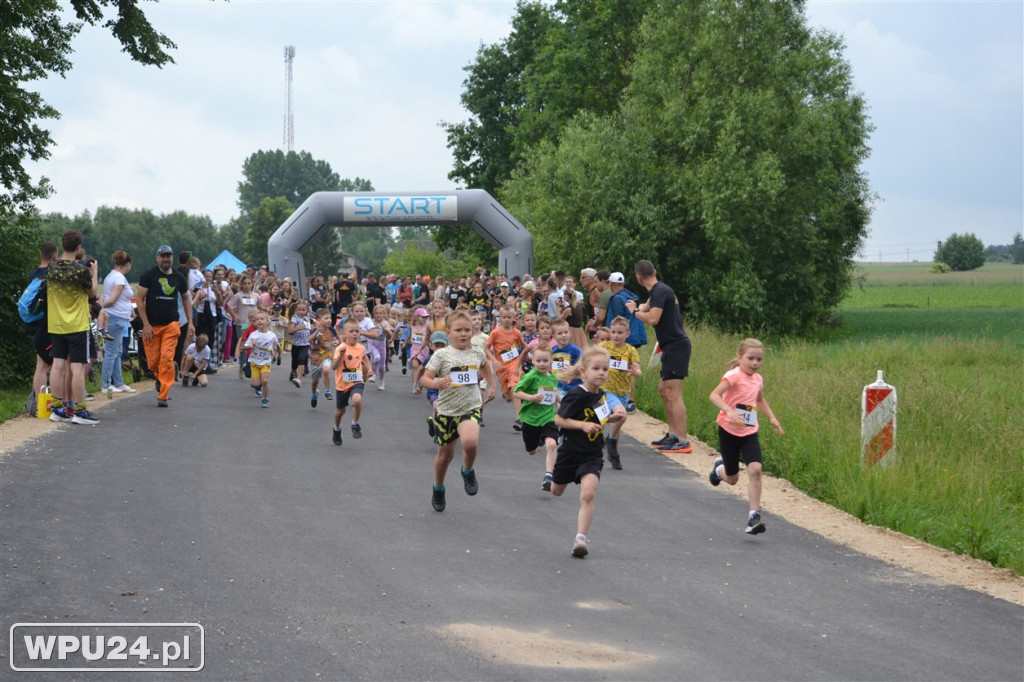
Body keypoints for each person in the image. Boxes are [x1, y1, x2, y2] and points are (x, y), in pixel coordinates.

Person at [551, 345, 626, 558]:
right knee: (556, 490)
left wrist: (610, 419)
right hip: (570, 452)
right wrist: (582, 426)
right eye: (596, 368)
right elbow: (558, 419)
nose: (601, 373)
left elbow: (597, 418)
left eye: (605, 369)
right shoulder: (576, 394)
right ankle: (555, 477)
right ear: (584, 372)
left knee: (588, 493)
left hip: (592, 453)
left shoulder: (601, 395)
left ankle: (580, 539)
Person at [421, 308, 497, 512]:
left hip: (470, 407)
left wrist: (492, 385)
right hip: (446, 411)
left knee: (470, 442)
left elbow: (486, 366)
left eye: (467, 330)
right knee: (444, 457)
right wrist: (436, 384)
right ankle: (438, 488)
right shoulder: (441, 355)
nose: (463, 334)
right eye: (458, 330)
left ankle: (468, 470)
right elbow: (425, 379)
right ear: (449, 333)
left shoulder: (477, 352)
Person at [708, 338, 784, 535]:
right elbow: (714, 395)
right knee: (732, 479)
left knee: (756, 469)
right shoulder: (733, 376)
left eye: (759, 359)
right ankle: (718, 470)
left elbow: (759, 399)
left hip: (749, 432)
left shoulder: (758, 379)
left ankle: (753, 516)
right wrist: (728, 410)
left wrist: (772, 417)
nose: (755, 363)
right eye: (751, 358)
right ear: (740, 357)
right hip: (728, 430)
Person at [627, 260, 693, 453]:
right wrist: (638, 306)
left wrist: (634, 311)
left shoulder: (660, 291)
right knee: (663, 391)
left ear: (638, 279)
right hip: (668, 346)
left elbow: (652, 318)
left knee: (673, 393)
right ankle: (672, 435)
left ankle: (682, 439)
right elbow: (647, 307)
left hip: (676, 345)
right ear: (654, 271)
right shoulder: (658, 291)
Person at [46, 230, 100, 425]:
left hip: (56, 323)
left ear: (62, 245)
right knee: (77, 368)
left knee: (58, 365)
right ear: (78, 248)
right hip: (77, 325)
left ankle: (57, 409)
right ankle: (80, 411)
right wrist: (94, 274)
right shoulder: (81, 271)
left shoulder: (51, 268)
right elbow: (92, 294)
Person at [137, 244, 193, 408]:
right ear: (157, 258)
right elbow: (140, 300)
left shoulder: (178, 278)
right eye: (162, 256)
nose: (165, 259)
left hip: (171, 325)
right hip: (152, 326)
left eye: (168, 256)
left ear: (172, 258)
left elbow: (186, 299)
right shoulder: (149, 276)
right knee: (153, 362)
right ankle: (159, 376)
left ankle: (163, 394)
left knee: (167, 358)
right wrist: (145, 324)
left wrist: (190, 323)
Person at [512, 344, 560, 491]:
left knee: (552, 444)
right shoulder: (530, 376)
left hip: (548, 417)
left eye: (545, 361)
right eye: (538, 360)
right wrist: (532, 398)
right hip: (531, 419)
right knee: (531, 451)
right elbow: (516, 392)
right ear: (533, 361)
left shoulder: (552, 377)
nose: (542, 364)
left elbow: (554, 393)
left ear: (551, 360)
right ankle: (537, 442)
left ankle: (548, 476)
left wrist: (562, 402)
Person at [599, 317, 643, 469]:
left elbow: (638, 372)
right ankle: (609, 440)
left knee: (618, 422)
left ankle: (613, 453)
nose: (616, 335)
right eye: (613, 332)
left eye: (620, 332)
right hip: (606, 389)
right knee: (621, 414)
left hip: (623, 391)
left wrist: (634, 372)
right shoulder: (604, 346)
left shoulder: (631, 350)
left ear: (627, 334)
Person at [99, 250, 137, 396]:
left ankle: (118, 382)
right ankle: (106, 384)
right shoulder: (120, 279)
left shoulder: (111, 276)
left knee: (117, 351)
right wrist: (101, 306)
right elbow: (113, 299)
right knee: (111, 352)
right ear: (127, 264)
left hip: (120, 318)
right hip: (116, 318)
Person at [25, 241, 57, 409]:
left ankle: (39, 402)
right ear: (54, 256)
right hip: (47, 322)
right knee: (47, 364)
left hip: (34, 321)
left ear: (40, 254)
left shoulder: (34, 274)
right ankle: (44, 404)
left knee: (41, 364)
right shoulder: (50, 273)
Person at [331, 318, 371, 445]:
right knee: (340, 411)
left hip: (356, 381)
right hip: (342, 384)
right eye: (351, 331)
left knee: (357, 400)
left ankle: (355, 423)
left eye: (357, 331)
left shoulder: (361, 348)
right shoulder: (340, 348)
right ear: (343, 334)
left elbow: (365, 358)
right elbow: (333, 367)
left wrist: (369, 369)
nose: (355, 334)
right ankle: (336, 429)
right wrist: (341, 355)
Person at [486, 305, 526, 431]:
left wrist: (522, 361)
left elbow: (525, 347)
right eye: (504, 317)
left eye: (509, 317)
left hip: (514, 364)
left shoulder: (516, 332)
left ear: (513, 318)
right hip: (501, 367)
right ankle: (506, 394)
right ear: (500, 318)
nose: (507, 320)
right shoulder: (495, 333)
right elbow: (486, 348)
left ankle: (519, 420)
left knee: (515, 387)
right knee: (509, 397)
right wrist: (494, 360)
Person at [244, 311, 280, 408]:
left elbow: (276, 347)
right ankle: (256, 383)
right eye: (257, 320)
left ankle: (265, 399)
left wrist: (275, 352)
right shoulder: (253, 335)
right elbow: (245, 347)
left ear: (268, 322)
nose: (259, 321)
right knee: (256, 384)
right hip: (254, 362)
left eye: (261, 319)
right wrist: (252, 345)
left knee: (265, 381)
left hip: (265, 361)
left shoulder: (272, 335)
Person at [308, 308, 338, 408]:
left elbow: (340, 340)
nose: (329, 320)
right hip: (315, 357)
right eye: (326, 318)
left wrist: (338, 343)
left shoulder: (332, 330)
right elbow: (309, 340)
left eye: (330, 318)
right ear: (319, 320)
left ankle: (327, 390)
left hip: (327, 354)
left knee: (326, 370)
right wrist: (317, 330)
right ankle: (314, 394)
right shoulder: (314, 330)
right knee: (315, 382)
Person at [287, 300, 313, 388]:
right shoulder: (294, 318)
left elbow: (310, 329)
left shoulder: (308, 319)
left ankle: (299, 379)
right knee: (295, 361)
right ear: (296, 310)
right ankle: (293, 371)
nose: (301, 312)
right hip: (296, 344)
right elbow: (290, 331)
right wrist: (298, 328)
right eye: (299, 310)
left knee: (301, 360)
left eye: (303, 310)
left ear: (307, 311)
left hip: (305, 344)